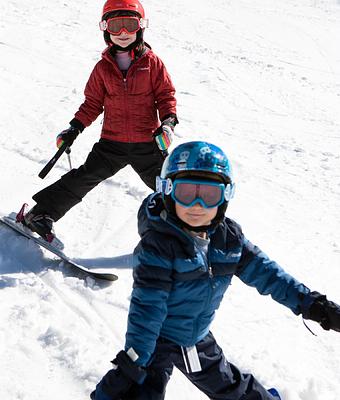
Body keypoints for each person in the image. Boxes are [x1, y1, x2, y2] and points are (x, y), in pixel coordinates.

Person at [90, 141, 340, 400]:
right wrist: (133, 361)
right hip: (156, 340)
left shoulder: (228, 239)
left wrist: (312, 304)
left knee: (232, 389)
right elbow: (147, 309)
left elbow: (270, 275)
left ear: (225, 197)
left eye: (209, 195)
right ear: (167, 191)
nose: (197, 205)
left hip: (194, 336)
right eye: (186, 193)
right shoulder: (159, 246)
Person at [20, 0, 177, 244]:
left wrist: (167, 124)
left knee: (169, 186)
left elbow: (166, 97)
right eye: (116, 26)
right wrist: (75, 127)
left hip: (147, 143)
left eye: (129, 25)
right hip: (111, 144)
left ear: (141, 27)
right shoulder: (102, 69)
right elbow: (92, 104)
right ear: (105, 29)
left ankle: (189, 228)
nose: (123, 33)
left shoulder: (152, 64)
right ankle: (40, 214)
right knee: (83, 178)